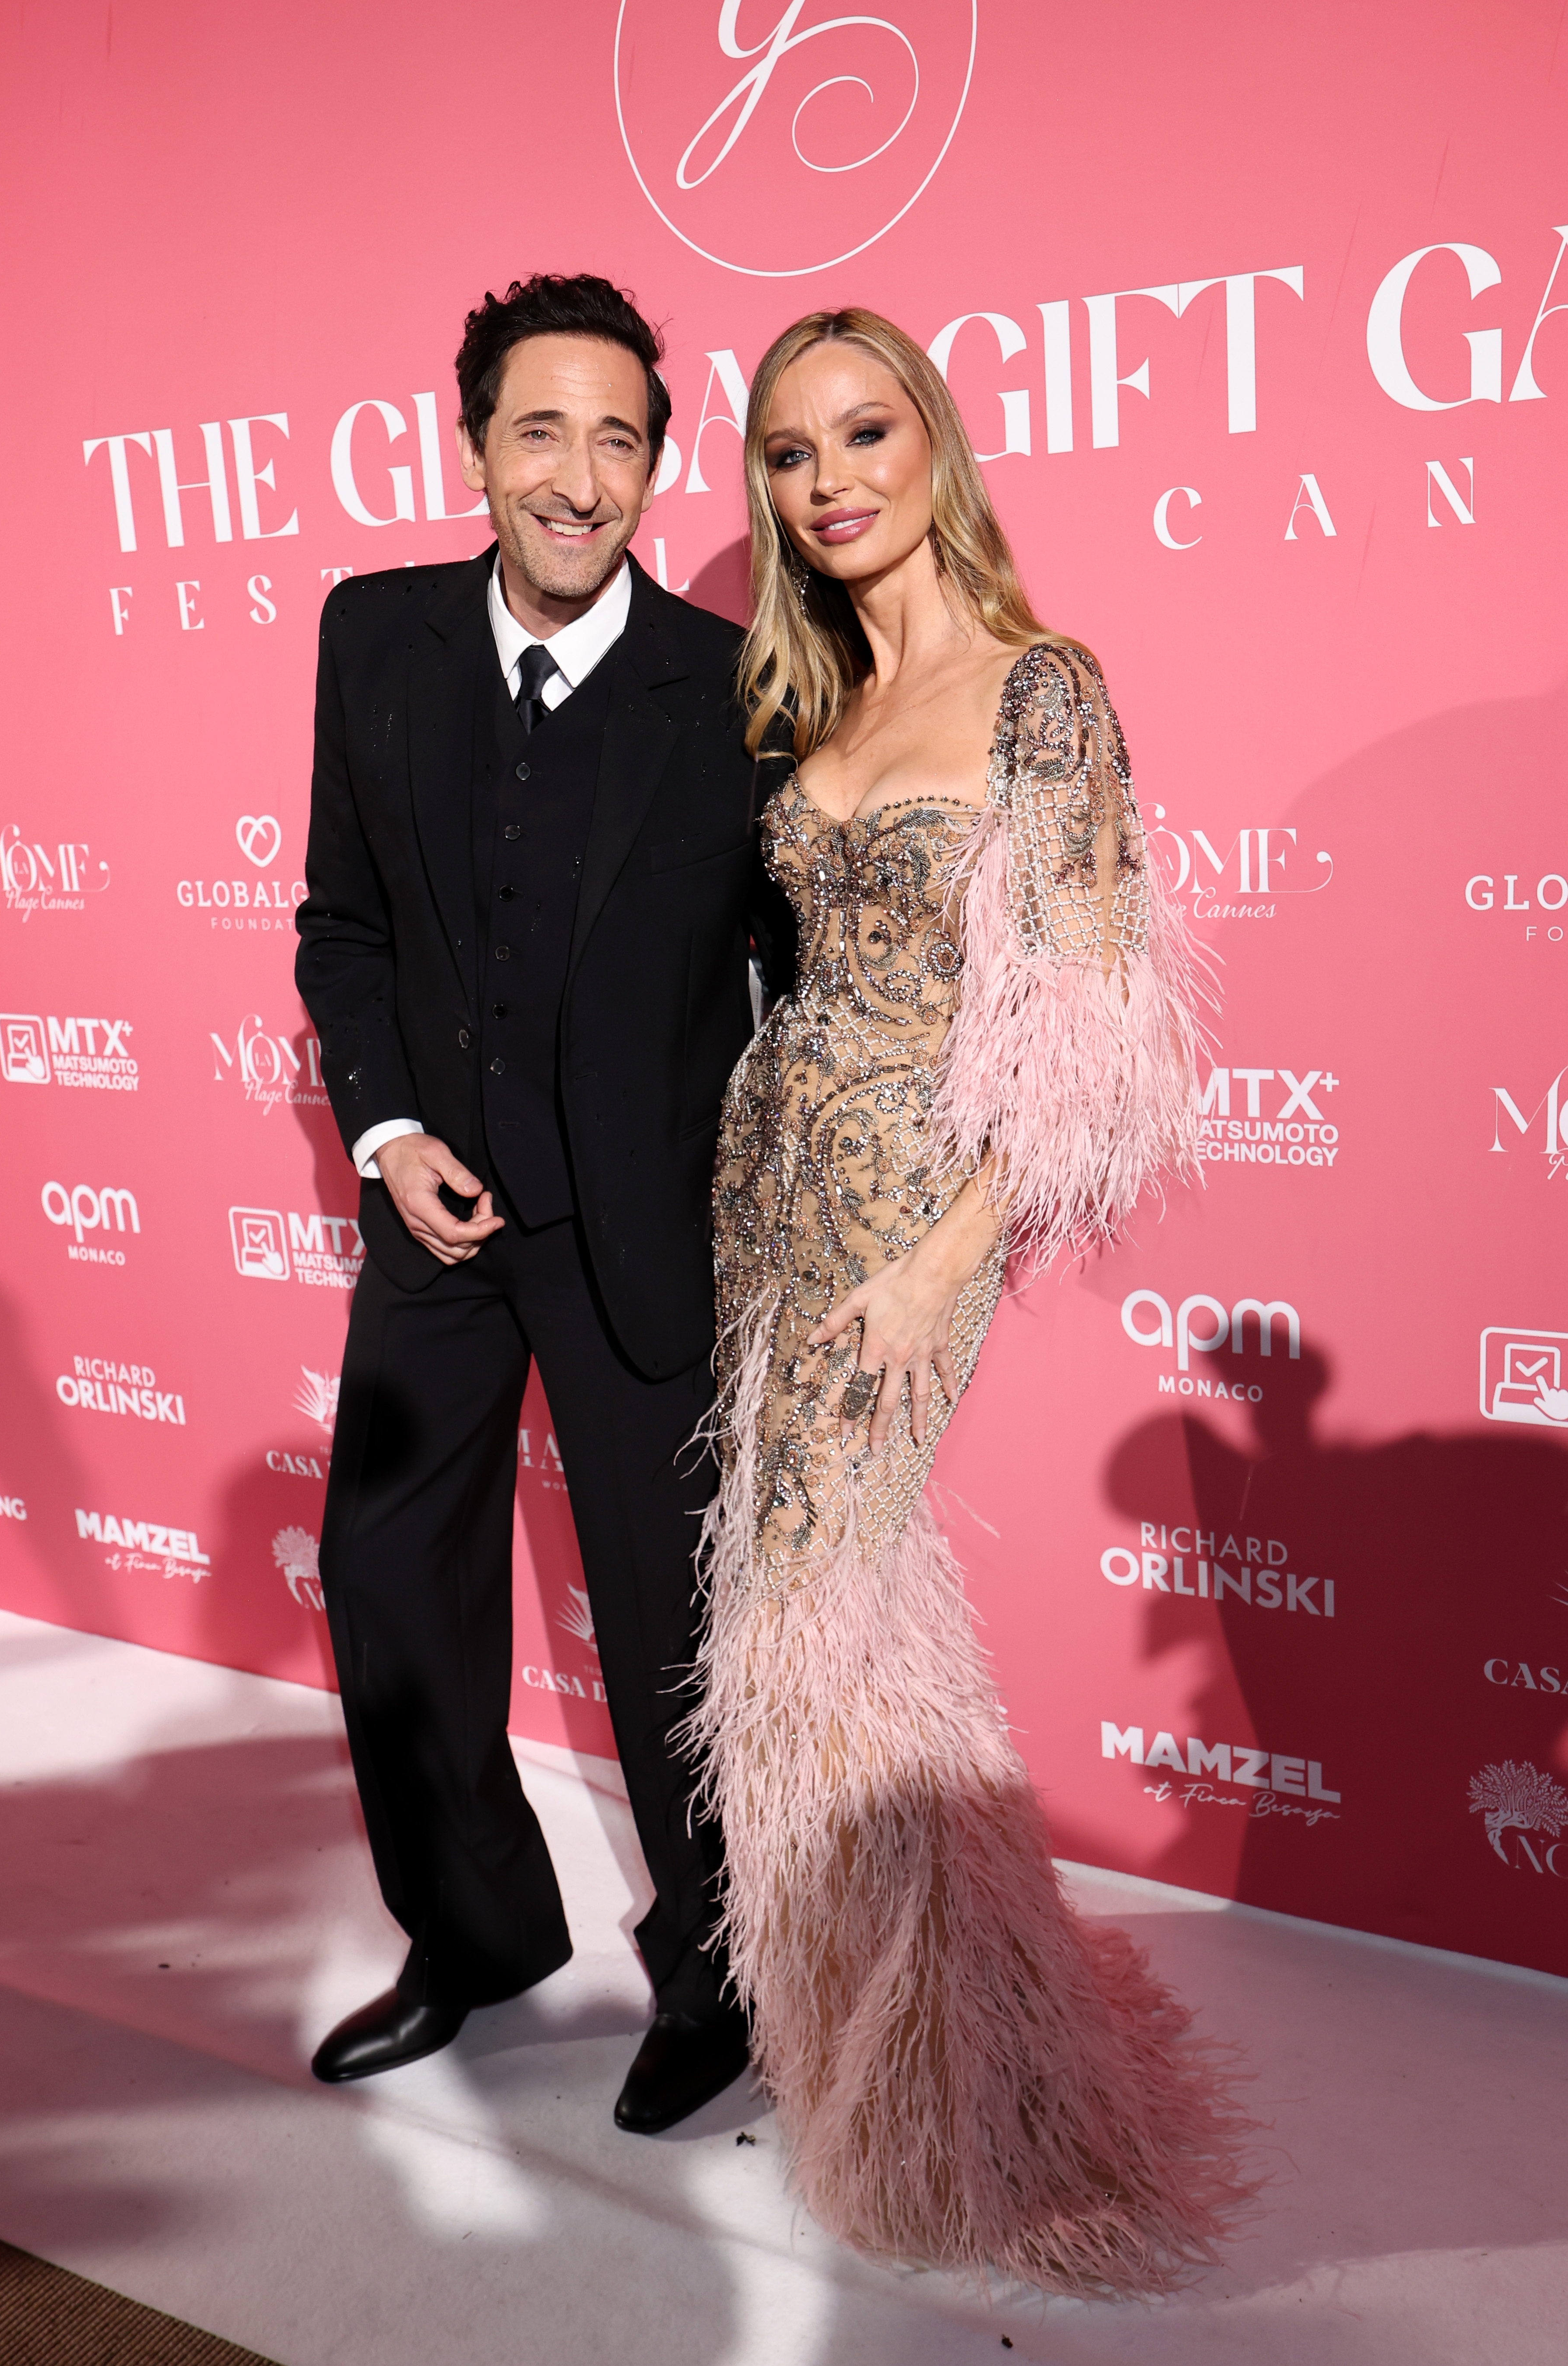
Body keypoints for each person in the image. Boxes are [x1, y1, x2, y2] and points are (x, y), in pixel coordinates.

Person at [683, 309, 1250, 2288]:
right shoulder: (821, 703)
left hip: (904, 1230)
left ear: (935, 445)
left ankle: (986, 2094)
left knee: (836, 1630)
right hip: (768, 1199)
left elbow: (1087, 1031)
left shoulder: (1043, 690)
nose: (829, 480)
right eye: (789, 453)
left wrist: (949, 1260)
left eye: (866, 434)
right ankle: (881, 2045)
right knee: (788, 1636)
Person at [294, 273, 793, 2132]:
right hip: (436, 1217)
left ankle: (720, 1970)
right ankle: (477, 1932)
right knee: (385, 1576)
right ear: (473, 445)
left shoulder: (734, 689)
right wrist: (383, 1128)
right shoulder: (375, 636)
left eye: (619, 439)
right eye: (540, 431)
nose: (579, 477)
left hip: (642, 1234)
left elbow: (803, 971)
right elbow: (342, 924)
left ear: (656, 464)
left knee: (670, 1618)